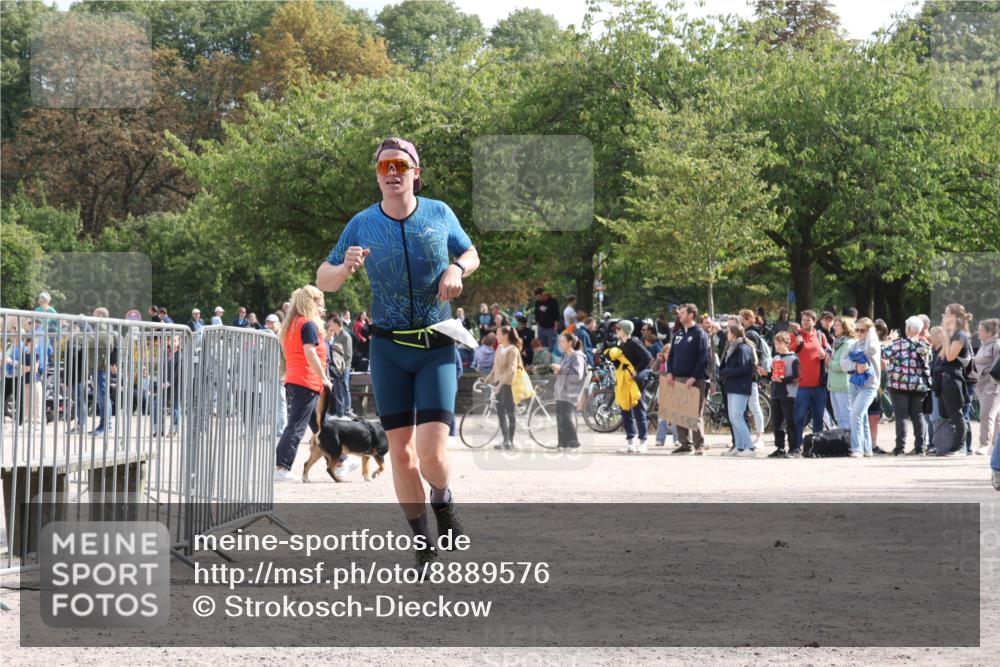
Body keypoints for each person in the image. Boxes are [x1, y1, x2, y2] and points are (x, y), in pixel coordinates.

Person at [316, 136, 479, 567]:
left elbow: (470, 251)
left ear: (415, 174)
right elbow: (323, 279)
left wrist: (456, 267)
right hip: (388, 348)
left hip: (435, 344)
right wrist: (344, 267)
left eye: (400, 166)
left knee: (431, 452)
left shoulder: (439, 212)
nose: (392, 173)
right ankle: (423, 541)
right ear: (377, 175)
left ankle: (443, 501)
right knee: (401, 453)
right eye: (384, 166)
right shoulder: (362, 223)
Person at [274, 287, 356, 481]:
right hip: (307, 380)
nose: (323, 309)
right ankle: (281, 467)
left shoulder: (291, 324)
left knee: (321, 426)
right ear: (310, 304)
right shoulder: (308, 325)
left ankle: (342, 459)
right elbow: (310, 353)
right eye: (320, 305)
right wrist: (324, 377)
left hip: (297, 378)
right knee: (297, 425)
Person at [665, 304, 711, 455]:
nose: (679, 315)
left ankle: (699, 445)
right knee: (680, 412)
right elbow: (671, 356)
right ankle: (685, 444)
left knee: (695, 413)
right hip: (677, 377)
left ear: (691, 315)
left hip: (695, 379)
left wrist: (694, 376)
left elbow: (703, 357)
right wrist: (670, 372)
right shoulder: (678, 334)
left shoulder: (700, 334)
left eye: (683, 312)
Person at [883, 316, 931, 455]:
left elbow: (883, 353)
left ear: (909, 329)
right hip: (919, 386)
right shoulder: (924, 345)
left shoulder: (898, 344)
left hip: (900, 385)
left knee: (901, 416)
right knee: (918, 415)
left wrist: (889, 340)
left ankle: (900, 448)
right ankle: (920, 448)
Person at [69, 307, 119, 436]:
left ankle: (105, 426)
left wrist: (78, 337)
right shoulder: (101, 329)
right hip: (97, 367)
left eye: (94, 315)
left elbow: (98, 342)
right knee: (102, 397)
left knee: (103, 397)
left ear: (101, 316)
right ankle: (104, 426)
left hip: (101, 367)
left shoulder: (104, 330)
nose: (92, 316)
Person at [610, 320, 653, 454]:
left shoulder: (634, 342)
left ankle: (643, 442)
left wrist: (636, 371)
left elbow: (647, 357)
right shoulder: (622, 344)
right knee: (625, 409)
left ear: (624, 330)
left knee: (638, 409)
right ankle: (630, 442)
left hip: (634, 381)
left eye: (618, 328)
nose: (616, 330)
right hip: (625, 380)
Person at [936, 304, 974, 456]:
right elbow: (943, 356)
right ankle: (955, 445)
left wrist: (945, 337)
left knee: (957, 414)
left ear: (953, 317)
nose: (943, 316)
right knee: (948, 413)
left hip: (954, 378)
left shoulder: (960, 335)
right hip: (945, 377)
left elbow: (951, 357)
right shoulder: (953, 335)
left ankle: (959, 447)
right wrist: (945, 336)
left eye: (946, 314)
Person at [789, 310, 830, 448]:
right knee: (799, 418)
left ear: (814, 321)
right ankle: (797, 446)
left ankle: (817, 446)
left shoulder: (820, 335)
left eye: (808, 320)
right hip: (801, 386)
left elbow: (829, 354)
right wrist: (796, 344)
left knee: (818, 418)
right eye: (803, 320)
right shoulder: (794, 335)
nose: (805, 322)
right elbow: (786, 353)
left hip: (819, 385)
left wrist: (825, 355)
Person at [842, 317, 881, 457]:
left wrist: (871, 332)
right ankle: (867, 449)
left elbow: (870, 349)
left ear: (869, 331)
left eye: (862, 330)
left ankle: (857, 448)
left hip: (869, 385)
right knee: (861, 416)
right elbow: (843, 362)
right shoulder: (854, 344)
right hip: (854, 383)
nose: (859, 333)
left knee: (855, 414)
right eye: (856, 330)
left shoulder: (873, 343)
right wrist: (855, 366)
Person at [719, 323, 757, 457]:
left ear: (734, 334)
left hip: (740, 386)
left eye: (728, 332)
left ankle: (749, 447)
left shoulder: (742, 348)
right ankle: (739, 446)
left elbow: (744, 368)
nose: (726, 334)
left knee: (737, 417)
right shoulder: (732, 347)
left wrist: (726, 372)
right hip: (732, 386)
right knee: (733, 418)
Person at [482, 326, 522, 450]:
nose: (496, 336)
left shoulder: (513, 350)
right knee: (500, 413)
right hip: (499, 385)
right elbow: (496, 368)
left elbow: (511, 371)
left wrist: (500, 384)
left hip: (509, 386)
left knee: (510, 413)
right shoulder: (499, 348)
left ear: (505, 335)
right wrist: (487, 379)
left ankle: (510, 440)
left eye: (498, 333)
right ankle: (505, 440)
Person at [739, 309, 771, 446]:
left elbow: (752, 356)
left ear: (746, 319)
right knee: (751, 406)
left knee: (754, 405)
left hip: (751, 375)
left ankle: (760, 437)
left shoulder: (750, 334)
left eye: (740, 318)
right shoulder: (753, 332)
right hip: (751, 375)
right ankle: (752, 436)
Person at [768, 332, 800, 457]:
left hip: (789, 394)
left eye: (780, 343)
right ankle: (780, 447)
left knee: (791, 422)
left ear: (787, 343)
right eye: (776, 343)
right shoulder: (775, 358)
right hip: (776, 393)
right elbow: (773, 375)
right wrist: (766, 374)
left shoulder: (793, 358)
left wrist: (785, 380)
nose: (778, 346)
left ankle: (794, 448)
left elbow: (797, 376)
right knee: (777, 423)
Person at [551, 333, 585, 448]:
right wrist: (559, 370)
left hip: (570, 392)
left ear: (570, 342)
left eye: (563, 341)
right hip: (561, 391)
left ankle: (573, 442)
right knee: (560, 418)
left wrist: (562, 369)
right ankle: (562, 443)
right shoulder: (566, 356)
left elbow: (577, 376)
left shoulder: (577, 356)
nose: (560, 343)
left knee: (566, 417)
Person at [973, 319, 1000, 456]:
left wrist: (986, 373)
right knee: (995, 417)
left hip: (992, 385)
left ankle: (985, 444)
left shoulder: (996, 345)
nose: (978, 332)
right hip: (981, 385)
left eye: (981, 330)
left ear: (989, 332)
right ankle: (994, 446)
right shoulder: (984, 345)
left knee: (986, 415)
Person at [827, 316, 854, 430]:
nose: (834, 327)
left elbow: (844, 365)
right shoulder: (838, 343)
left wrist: (830, 363)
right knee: (839, 418)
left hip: (844, 386)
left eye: (837, 325)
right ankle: (844, 444)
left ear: (845, 327)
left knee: (847, 418)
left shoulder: (849, 343)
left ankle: (851, 445)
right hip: (834, 386)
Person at [264, 313, 286, 438]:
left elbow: (286, 355)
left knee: (280, 402)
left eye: (272, 323)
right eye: (268, 322)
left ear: (278, 323)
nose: (270, 325)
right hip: (270, 373)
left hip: (280, 373)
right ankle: (275, 430)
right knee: (273, 403)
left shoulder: (281, 336)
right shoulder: (269, 335)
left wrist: (285, 372)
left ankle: (281, 430)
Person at [326, 315, 353, 417]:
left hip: (343, 367)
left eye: (332, 323)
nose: (330, 325)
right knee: (337, 390)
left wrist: (344, 368)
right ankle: (339, 413)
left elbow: (348, 355)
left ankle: (347, 410)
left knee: (344, 388)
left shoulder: (345, 336)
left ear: (336, 324)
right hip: (336, 368)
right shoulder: (337, 336)